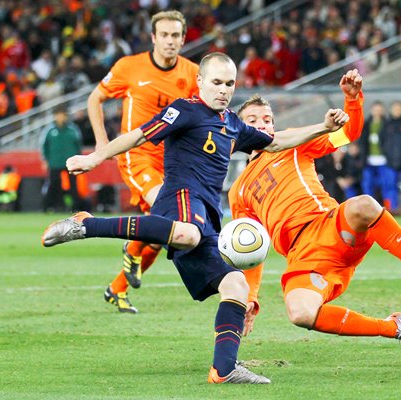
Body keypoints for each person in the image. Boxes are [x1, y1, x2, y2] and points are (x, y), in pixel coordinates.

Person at [41, 52, 349, 384]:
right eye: (216, 82)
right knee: (187, 233)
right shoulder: (185, 110)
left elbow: (275, 143)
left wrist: (323, 127)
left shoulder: (232, 123)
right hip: (179, 197)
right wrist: (96, 156)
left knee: (236, 285)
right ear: (200, 81)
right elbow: (140, 135)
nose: (223, 90)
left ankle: (224, 369)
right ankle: (86, 224)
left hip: (207, 215)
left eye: (230, 83)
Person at [228, 70, 401, 347]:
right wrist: (251, 299)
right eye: (253, 121)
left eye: (268, 120)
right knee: (300, 313)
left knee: (364, 204)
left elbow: (347, 134)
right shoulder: (239, 191)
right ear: (239, 129)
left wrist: (351, 100)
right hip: (303, 258)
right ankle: (394, 328)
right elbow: (251, 253)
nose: (263, 125)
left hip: (329, 226)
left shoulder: (292, 142)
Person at [87, 10, 200, 313]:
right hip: (137, 157)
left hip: (173, 162)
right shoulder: (129, 67)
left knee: (171, 230)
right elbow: (94, 98)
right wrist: (101, 143)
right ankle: (133, 249)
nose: (170, 41)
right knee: (165, 214)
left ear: (183, 38)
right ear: (153, 37)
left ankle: (118, 286)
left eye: (175, 35)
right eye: (164, 35)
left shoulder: (191, 74)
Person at [41, 107, 83, 213]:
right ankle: (53, 206)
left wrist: (79, 159)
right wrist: (45, 160)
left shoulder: (73, 129)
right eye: (58, 115)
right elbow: (44, 146)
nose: (61, 117)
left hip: (71, 162)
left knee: (73, 185)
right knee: (54, 184)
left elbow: (78, 145)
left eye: (63, 115)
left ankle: (75, 207)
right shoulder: (49, 130)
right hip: (55, 162)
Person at [358, 101, 389, 207]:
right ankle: (370, 208)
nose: (377, 112)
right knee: (368, 184)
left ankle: (388, 208)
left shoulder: (387, 125)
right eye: (376, 110)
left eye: (379, 110)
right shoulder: (366, 125)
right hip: (369, 160)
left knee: (386, 185)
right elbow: (361, 142)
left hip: (384, 160)